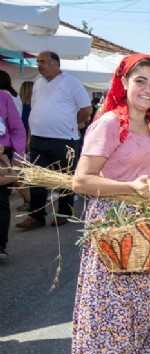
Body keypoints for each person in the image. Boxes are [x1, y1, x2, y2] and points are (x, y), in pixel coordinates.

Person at [70, 54, 150, 354]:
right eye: (140, 80)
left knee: (145, 312)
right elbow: (81, 181)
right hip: (114, 228)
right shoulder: (111, 122)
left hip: (148, 227)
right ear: (125, 82)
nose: (147, 89)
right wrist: (132, 188)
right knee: (112, 314)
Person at [15, 51, 92, 230]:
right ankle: (36, 216)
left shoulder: (72, 82)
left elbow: (86, 110)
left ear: (55, 63)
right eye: (38, 62)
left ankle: (64, 213)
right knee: (37, 180)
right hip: (38, 139)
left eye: (43, 61)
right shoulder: (38, 83)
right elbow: (35, 111)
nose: (39, 64)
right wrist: (29, 137)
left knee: (64, 179)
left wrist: (71, 121)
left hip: (63, 139)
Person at [0, 89, 27, 260]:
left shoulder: (3, 97)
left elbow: (17, 128)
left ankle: (0, 245)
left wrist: (18, 156)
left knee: (1, 202)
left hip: (1, 158)